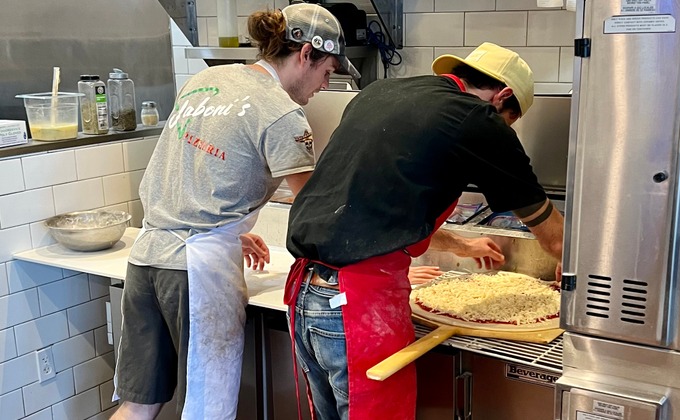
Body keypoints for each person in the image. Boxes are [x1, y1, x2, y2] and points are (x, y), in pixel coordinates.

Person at [283, 42, 564, 419]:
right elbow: (554, 235)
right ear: (502, 96)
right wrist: (576, 267)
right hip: (358, 304)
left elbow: (381, 205)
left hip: (305, 296)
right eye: (508, 119)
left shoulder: (379, 93)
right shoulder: (478, 119)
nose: (503, 126)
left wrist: (460, 246)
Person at [110, 4, 359, 419]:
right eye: (328, 71)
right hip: (195, 272)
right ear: (305, 55)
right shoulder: (281, 112)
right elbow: (316, 207)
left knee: (139, 406)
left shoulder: (208, 80)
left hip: (146, 259)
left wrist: (229, 230)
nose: (325, 84)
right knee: (208, 411)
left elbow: (192, 170)